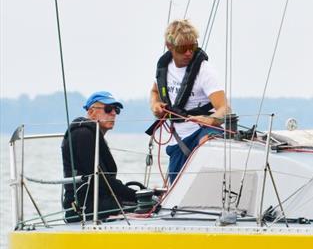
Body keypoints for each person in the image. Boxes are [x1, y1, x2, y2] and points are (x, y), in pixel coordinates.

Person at [149, 19, 229, 182]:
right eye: (182, 48)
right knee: (174, 187)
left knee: (208, 144)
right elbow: (154, 91)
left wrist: (210, 120)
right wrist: (155, 105)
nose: (188, 53)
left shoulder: (205, 71)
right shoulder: (164, 68)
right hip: (178, 137)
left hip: (203, 131)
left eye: (192, 47)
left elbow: (225, 108)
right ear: (169, 46)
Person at [61, 91, 138, 222]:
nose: (113, 113)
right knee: (144, 205)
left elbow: (104, 181)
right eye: (108, 109)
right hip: (83, 207)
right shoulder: (82, 134)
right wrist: (135, 195)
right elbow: (101, 179)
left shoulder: (92, 134)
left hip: (98, 200)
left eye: (116, 110)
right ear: (91, 112)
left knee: (144, 203)